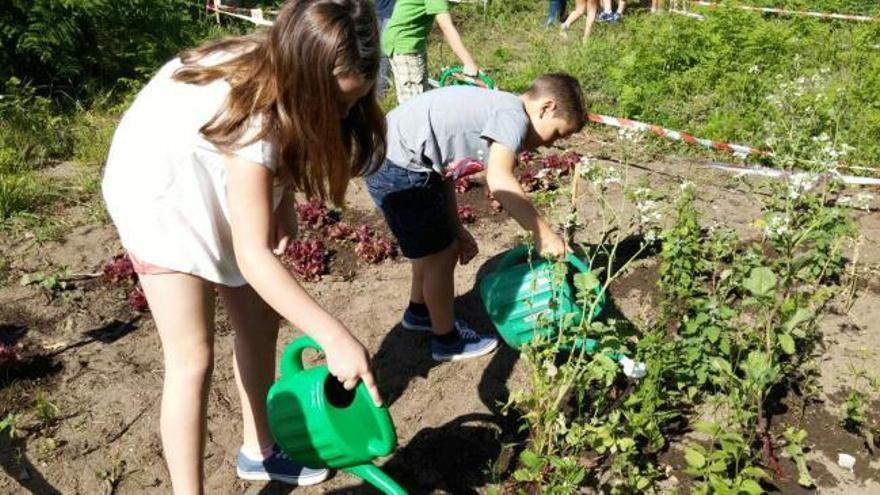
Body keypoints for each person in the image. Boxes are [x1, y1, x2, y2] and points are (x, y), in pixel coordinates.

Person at [101, 0, 386, 492]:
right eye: (336, 103)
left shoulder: (293, 72)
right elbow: (253, 254)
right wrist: (334, 336)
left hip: (213, 168)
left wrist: (283, 200)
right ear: (305, 80)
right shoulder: (256, 119)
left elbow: (284, 142)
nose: (345, 113)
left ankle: (260, 449)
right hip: (158, 192)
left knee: (259, 318)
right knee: (193, 356)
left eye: (353, 101)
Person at [365, 74, 587, 362]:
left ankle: (419, 312)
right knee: (440, 255)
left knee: (431, 248)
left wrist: (456, 227)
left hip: (395, 159)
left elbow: (445, 171)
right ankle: (447, 341)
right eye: (557, 134)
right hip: (398, 166)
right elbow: (499, 178)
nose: (548, 145)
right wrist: (544, 235)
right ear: (546, 107)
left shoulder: (498, 109)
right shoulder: (513, 117)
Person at [382, 0, 479, 103]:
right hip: (405, 44)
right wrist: (468, 63)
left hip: (405, 41)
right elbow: (447, 27)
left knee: (420, 92)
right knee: (414, 101)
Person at [375, 0, 396, 98]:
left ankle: (381, 91)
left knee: (384, 52)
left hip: (393, 12)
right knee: (375, 50)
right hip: (378, 10)